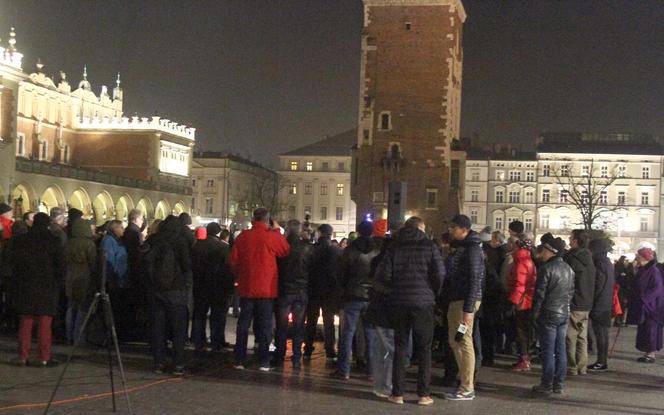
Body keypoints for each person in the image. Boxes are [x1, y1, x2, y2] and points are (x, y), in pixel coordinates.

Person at [375, 217, 445, 406]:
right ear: (421, 228)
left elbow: (383, 275)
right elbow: (440, 274)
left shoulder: (394, 247)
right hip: (424, 303)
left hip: (399, 302)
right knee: (424, 348)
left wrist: (395, 289)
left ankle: (397, 393)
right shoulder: (429, 246)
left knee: (400, 347)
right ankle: (423, 394)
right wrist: (432, 293)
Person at [229, 208, 290, 371]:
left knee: (243, 324)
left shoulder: (243, 237)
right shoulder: (272, 236)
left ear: (252, 219)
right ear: (268, 220)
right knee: (265, 326)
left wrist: (240, 276)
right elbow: (285, 250)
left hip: (247, 287)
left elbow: (233, 261)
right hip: (266, 288)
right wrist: (277, 230)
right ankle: (264, 361)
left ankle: (239, 359)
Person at [7, 212, 64, 366]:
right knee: (44, 323)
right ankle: (43, 357)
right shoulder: (53, 240)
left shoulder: (21, 240)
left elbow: (12, 262)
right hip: (47, 286)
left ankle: (23, 356)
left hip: (25, 285)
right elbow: (60, 265)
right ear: (47, 224)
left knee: (25, 322)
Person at [145, 215, 192, 375]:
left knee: (158, 329)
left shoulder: (153, 239)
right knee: (178, 329)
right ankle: (178, 364)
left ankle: (159, 362)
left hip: (156, 290)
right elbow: (187, 266)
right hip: (176, 291)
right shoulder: (179, 241)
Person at [333, 220, 380, 380]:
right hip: (371, 296)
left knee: (347, 333)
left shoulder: (350, 251)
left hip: (352, 294)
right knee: (370, 334)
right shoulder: (377, 251)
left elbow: (341, 273)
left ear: (358, 232)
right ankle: (371, 370)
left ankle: (344, 369)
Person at [444, 214, 484, 401]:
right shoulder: (465, 248)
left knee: (463, 340)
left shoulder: (471, 249)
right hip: (460, 300)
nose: (451, 230)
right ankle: (465, 383)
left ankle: (467, 387)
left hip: (464, 301)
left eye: (454, 227)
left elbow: (475, 279)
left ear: (463, 229)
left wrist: (468, 310)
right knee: (457, 340)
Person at [531, 235, 574, 396]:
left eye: (544, 250)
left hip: (549, 313)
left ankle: (547, 383)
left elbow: (540, 294)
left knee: (548, 350)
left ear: (551, 251)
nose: (541, 253)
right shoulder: (569, 269)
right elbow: (571, 293)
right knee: (560, 348)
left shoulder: (546, 269)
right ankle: (559, 383)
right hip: (563, 312)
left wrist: (534, 315)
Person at [275, 220, 314, 369]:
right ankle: (297, 357)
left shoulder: (282, 246)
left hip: (284, 290)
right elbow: (311, 269)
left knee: (282, 325)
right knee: (298, 326)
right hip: (301, 290)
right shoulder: (306, 248)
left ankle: (280, 355)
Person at [191, 222, 234, 353]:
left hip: (200, 285)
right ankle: (217, 342)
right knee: (218, 316)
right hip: (218, 286)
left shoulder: (196, 246)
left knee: (199, 314)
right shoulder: (222, 247)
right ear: (218, 232)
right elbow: (228, 268)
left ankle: (198, 341)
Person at [305, 224, 342, 361]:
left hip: (313, 290)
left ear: (319, 233)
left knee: (311, 321)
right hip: (329, 291)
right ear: (331, 234)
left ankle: (308, 348)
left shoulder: (311, 249)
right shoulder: (337, 251)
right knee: (329, 322)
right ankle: (330, 350)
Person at [564, 229, 595, 376]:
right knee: (582, 336)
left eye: (571, 238)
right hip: (587, 301)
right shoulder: (589, 258)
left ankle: (572, 366)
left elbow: (569, 281)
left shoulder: (571, 258)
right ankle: (582, 366)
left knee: (571, 336)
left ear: (575, 241)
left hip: (575, 301)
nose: (569, 240)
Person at [627, 244, 664, 363]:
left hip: (652, 307)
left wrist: (644, 299)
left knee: (651, 329)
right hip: (645, 305)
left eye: (638, 257)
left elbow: (657, 288)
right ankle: (647, 351)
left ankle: (651, 353)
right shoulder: (643, 269)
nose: (636, 259)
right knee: (645, 329)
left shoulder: (653, 270)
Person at [63, 218, 97, 345]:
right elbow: (93, 262)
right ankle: (79, 337)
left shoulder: (69, 243)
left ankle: (68, 335)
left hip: (70, 276)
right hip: (84, 277)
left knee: (70, 307)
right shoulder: (89, 244)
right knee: (82, 308)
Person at [509, 236, 537, 371]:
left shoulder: (520, 261)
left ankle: (524, 359)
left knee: (521, 331)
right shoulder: (529, 260)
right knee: (524, 331)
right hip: (527, 300)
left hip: (522, 301)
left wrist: (514, 301)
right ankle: (524, 358)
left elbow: (519, 284)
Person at [587, 238, 614, 371]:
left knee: (600, 334)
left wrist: (592, 300)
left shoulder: (599, 263)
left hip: (600, 304)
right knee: (602, 333)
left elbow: (598, 284)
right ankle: (602, 361)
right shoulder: (607, 262)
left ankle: (601, 362)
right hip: (605, 302)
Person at [100, 220, 129, 341]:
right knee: (112, 309)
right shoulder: (109, 241)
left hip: (120, 279)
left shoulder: (116, 240)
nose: (123, 229)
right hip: (114, 280)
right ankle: (110, 336)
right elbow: (109, 261)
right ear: (115, 228)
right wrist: (112, 278)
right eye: (121, 227)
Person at [122, 209, 147, 341]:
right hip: (134, 273)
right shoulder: (135, 233)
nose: (142, 221)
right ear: (136, 219)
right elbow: (137, 254)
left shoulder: (128, 231)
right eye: (142, 219)